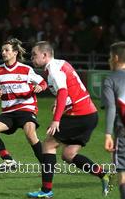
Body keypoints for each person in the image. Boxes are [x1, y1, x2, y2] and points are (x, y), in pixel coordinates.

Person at [27, 41, 113, 198]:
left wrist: (56, 119)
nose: (31, 58)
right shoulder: (61, 63)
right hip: (90, 116)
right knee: (68, 155)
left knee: (48, 145)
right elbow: (70, 89)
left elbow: (63, 91)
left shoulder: (53, 70)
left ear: (45, 55)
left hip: (79, 114)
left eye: (34, 55)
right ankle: (104, 174)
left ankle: (46, 191)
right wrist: (58, 104)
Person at [0, 38, 47, 171]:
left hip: (26, 109)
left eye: (6, 50)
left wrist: (40, 87)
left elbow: (43, 83)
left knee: (30, 134)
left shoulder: (26, 69)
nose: (3, 53)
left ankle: (47, 165)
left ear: (15, 53)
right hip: (8, 112)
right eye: (2, 50)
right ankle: (8, 160)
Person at [102, 41, 125, 199]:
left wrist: (107, 134)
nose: (109, 60)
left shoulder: (111, 79)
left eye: (110, 57)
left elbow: (111, 108)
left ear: (116, 58)